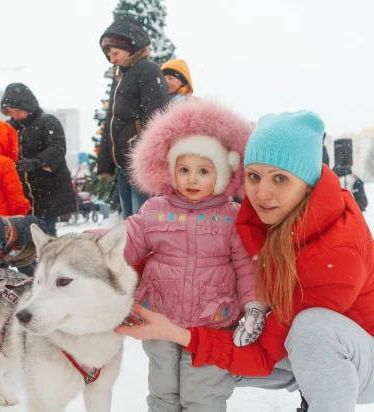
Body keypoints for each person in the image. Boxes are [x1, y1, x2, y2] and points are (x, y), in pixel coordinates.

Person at [117, 111, 374, 412]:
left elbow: (264, 351)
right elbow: (185, 257)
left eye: (280, 178)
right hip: (298, 343)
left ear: (308, 183)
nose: (262, 193)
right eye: (254, 176)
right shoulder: (264, 213)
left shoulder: (336, 254)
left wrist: (177, 333)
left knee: (308, 331)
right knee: (205, 370)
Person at [91, 100, 266, 411]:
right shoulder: (156, 210)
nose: (192, 179)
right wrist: (93, 246)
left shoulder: (231, 217)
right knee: (163, 391)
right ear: (171, 171)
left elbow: (246, 267)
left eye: (203, 171)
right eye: (184, 170)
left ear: (222, 175)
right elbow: (131, 237)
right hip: (160, 314)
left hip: (211, 322)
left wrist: (253, 306)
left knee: (203, 393)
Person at [98, 16, 170, 219]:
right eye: (109, 55)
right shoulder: (120, 77)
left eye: (115, 53)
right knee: (130, 223)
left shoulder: (148, 70)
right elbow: (110, 120)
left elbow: (156, 119)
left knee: (145, 221)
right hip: (125, 165)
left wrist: (146, 158)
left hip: (141, 165)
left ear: (130, 46)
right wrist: (106, 162)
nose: (112, 59)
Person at [1, 83, 76, 236]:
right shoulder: (7, 128)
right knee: (25, 234)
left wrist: (36, 162)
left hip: (48, 189)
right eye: (10, 112)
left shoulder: (48, 121)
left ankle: (49, 260)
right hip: (22, 191)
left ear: (27, 106)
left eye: (16, 110)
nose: (14, 115)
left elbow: (58, 147)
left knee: (46, 231)